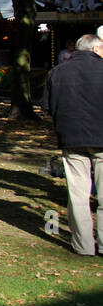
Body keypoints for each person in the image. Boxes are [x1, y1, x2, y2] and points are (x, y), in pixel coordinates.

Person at [41, 33, 103, 256]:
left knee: (78, 194)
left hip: (71, 138)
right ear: (96, 49)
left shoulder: (57, 72)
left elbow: (46, 108)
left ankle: (83, 245)